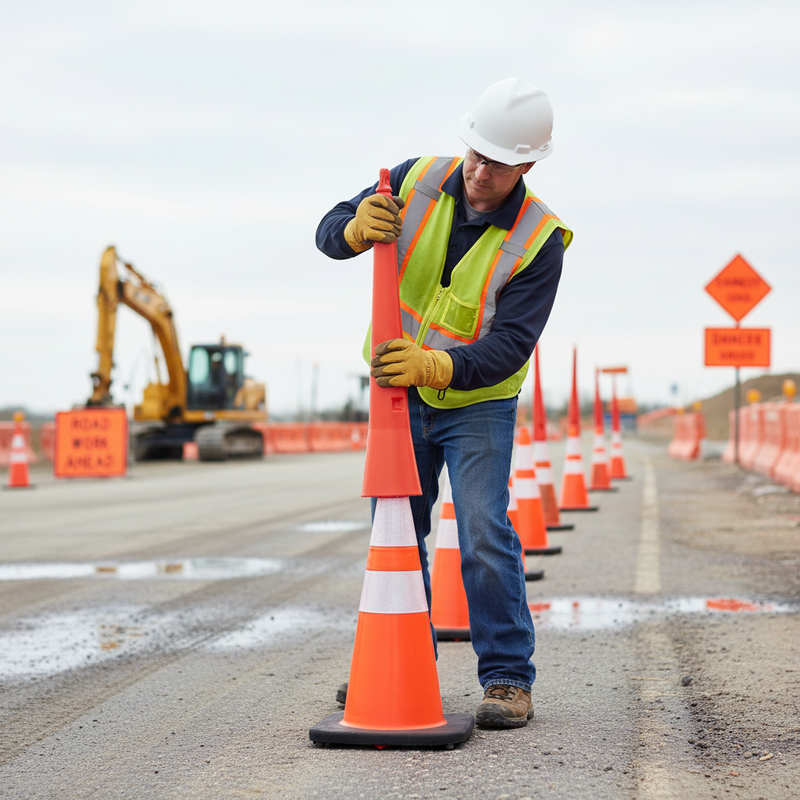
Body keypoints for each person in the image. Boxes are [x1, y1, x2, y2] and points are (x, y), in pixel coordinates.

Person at [316, 77, 573, 728]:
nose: (481, 172)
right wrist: (353, 229)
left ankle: (508, 678)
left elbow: (511, 344)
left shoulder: (540, 240)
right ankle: (402, 659)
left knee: (483, 532)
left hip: (477, 403)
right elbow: (326, 230)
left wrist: (436, 364)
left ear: (527, 166)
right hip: (396, 396)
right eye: (476, 155)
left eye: (499, 164)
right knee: (397, 531)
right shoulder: (415, 180)